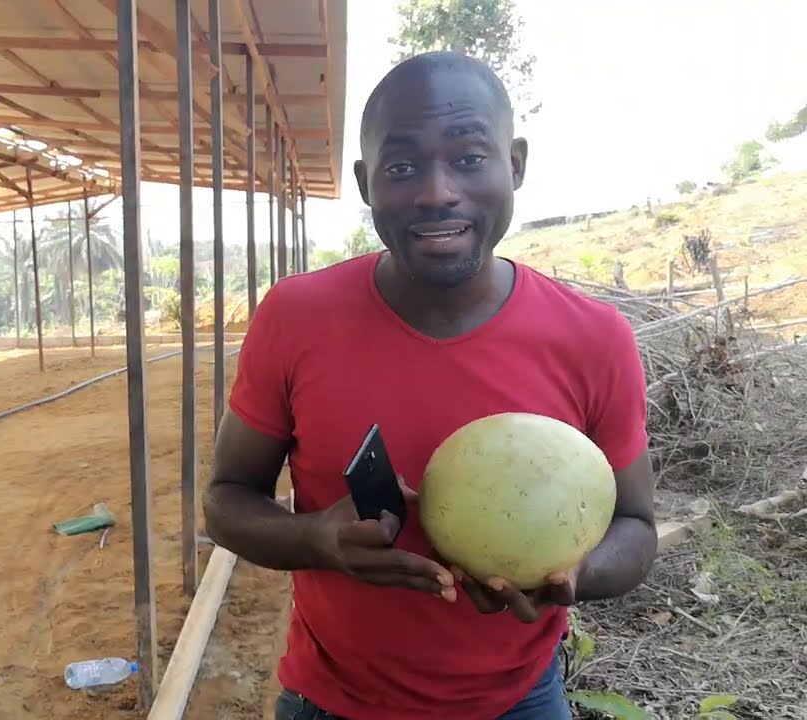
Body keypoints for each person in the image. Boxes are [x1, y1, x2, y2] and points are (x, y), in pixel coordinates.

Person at [202, 52, 656, 720]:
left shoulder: (593, 336)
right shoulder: (296, 318)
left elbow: (637, 527)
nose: (437, 191)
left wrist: (575, 574)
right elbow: (226, 499)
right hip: (331, 702)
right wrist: (317, 542)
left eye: (470, 157)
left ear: (516, 164)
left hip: (519, 702)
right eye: (403, 166)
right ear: (366, 181)